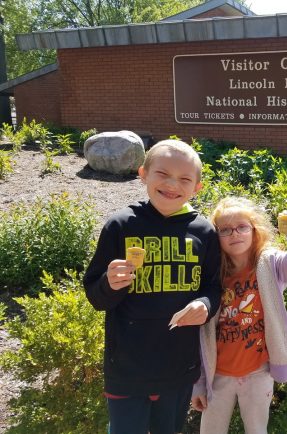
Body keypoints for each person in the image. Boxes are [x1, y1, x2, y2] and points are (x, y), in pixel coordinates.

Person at [83, 139, 222, 434]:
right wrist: (109, 283)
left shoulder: (203, 231)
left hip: (178, 369)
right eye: (163, 173)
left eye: (184, 178)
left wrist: (206, 306)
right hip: (127, 369)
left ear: (197, 187)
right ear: (143, 173)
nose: (173, 184)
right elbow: (96, 298)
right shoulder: (121, 226)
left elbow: (213, 287)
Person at [189, 197, 287, 434]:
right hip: (218, 375)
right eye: (225, 229)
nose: (234, 233)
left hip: (258, 372)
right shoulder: (212, 275)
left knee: (257, 430)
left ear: (254, 230)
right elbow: (200, 336)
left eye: (242, 227)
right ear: (215, 236)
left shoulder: (271, 264)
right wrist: (199, 384)